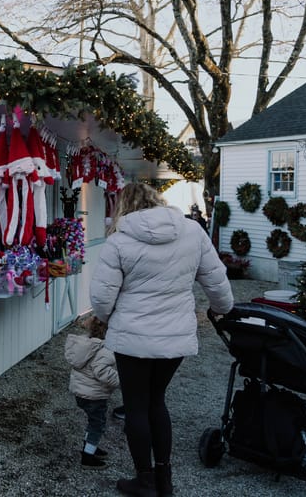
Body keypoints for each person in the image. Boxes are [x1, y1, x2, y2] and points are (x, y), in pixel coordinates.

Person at [90, 183, 233, 497]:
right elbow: (216, 279)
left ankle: (144, 481)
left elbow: (101, 300)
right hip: (174, 338)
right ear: (157, 201)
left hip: (132, 339)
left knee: (137, 406)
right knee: (157, 402)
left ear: (124, 207)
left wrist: (108, 317)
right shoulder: (193, 232)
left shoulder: (119, 241)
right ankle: (164, 480)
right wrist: (223, 309)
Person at [65, 316, 120, 470]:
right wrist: (121, 380)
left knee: (93, 422)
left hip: (80, 393)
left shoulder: (84, 344)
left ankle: (90, 446)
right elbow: (101, 371)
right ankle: (87, 457)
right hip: (95, 396)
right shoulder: (105, 350)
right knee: (97, 425)